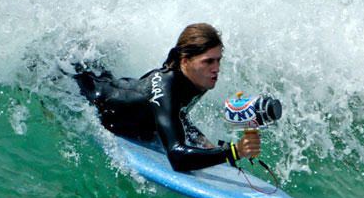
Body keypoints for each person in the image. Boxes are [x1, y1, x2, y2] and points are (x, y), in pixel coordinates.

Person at [74, 23, 260, 172]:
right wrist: (234, 152)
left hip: (108, 82)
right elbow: (177, 158)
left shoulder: (195, 79)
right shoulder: (167, 86)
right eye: (208, 61)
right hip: (86, 91)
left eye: (218, 60)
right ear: (185, 61)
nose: (216, 68)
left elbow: (176, 114)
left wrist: (204, 143)